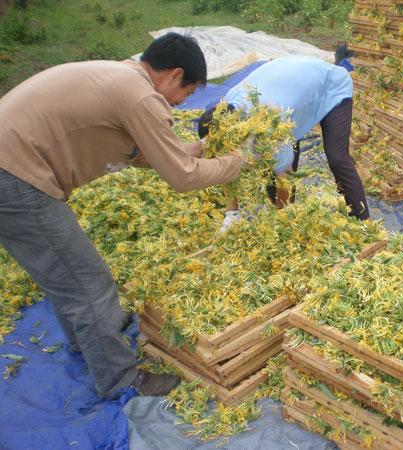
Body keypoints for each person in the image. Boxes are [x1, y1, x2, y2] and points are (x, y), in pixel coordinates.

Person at [0, 33, 245, 398]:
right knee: (88, 282)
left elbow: (149, 154)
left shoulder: (123, 79)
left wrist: (206, 148)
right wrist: (236, 163)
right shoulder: (142, 96)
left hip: (12, 167)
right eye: (189, 94)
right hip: (16, 177)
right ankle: (119, 379)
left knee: (66, 275)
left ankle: (92, 339)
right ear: (175, 75)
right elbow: (182, 177)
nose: (182, 105)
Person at [197, 55, 370, 230]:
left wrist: (282, 223)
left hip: (331, 86)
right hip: (293, 87)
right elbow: (225, 162)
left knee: (336, 157)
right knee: (277, 159)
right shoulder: (226, 107)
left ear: (235, 136)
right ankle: (287, 211)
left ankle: (361, 221)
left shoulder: (270, 124)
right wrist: (232, 212)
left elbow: (283, 177)